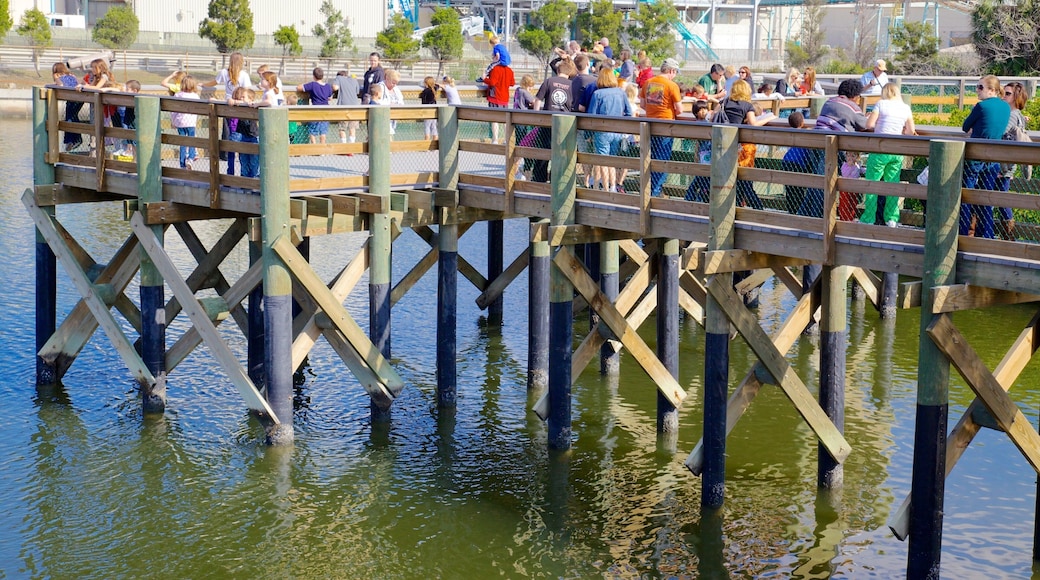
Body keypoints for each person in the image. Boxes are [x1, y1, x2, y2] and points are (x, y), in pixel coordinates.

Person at [959, 75, 1011, 239]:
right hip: (993, 157)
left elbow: (965, 126)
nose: (977, 90)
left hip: (975, 156)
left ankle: (962, 233)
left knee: (966, 196)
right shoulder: (1006, 107)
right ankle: (986, 235)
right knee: (986, 199)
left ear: (992, 90)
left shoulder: (981, 106)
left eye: (981, 87)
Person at [860, 82, 915, 227]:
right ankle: (891, 218)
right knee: (893, 184)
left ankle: (869, 218)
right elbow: (910, 131)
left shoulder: (881, 104)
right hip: (897, 150)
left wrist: (876, 122)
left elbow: (869, 125)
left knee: (872, 183)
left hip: (880, 148)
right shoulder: (905, 108)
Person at [719, 79, 774, 209]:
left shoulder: (724, 102)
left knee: (728, 179)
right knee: (744, 180)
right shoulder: (747, 106)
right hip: (739, 146)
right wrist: (769, 118)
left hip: (722, 143)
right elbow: (753, 123)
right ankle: (758, 208)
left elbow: (712, 117)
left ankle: (735, 206)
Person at [586, 66, 633, 191]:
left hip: (602, 131)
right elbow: (629, 113)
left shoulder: (597, 94)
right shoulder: (621, 93)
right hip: (617, 131)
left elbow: (591, 116)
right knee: (612, 160)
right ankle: (613, 187)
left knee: (603, 161)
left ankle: (606, 188)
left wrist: (588, 135)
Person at [640, 58, 683, 197]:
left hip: (650, 126)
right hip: (666, 126)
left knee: (650, 158)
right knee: (663, 159)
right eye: (675, 72)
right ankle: (655, 191)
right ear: (671, 71)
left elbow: (642, 104)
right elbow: (680, 110)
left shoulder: (648, 82)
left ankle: (648, 190)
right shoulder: (672, 85)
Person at [201, 52, 252, 164]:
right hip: (239, 104)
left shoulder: (224, 72)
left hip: (227, 104)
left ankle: (225, 154)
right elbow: (247, 90)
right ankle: (240, 151)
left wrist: (204, 84)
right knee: (239, 128)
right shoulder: (244, 75)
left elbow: (215, 82)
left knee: (227, 128)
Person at [532, 57, 576, 183]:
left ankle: (539, 178)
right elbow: (573, 105)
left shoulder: (549, 81)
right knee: (561, 152)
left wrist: (536, 116)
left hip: (548, 121)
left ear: (558, 70)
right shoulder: (572, 85)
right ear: (569, 73)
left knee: (544, 149)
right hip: (565, 123)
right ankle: (557, 178)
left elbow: (538, 100)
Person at [997, 82, 1032, 239]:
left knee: (1000, 199)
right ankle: (1007, 234)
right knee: (999, 198)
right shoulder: (1018, 115)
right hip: (1007, 163)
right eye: (1003, 92)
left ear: (1016, 96)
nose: (1004, 96)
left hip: (1002, 163)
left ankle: (1008, 235)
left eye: (1008, 93)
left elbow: (999, 132)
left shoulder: (1011, 115)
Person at [781, 112, 811, 213]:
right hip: (798, 163)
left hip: (787, 160)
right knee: (798, 189)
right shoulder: (805, 134)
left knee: (789, 189)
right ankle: (798, 211)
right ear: (802, 123)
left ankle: (791, 211)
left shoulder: (789, 133)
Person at [228, 87, 260, 178]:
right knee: (244, 160)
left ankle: (254, 180)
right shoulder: (239, 106)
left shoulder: (253, 106)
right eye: (241, 97)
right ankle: (244, 180)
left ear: (250, 99)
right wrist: (233, 101)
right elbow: (229, 100)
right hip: (243, 136)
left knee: (254, 162)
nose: (241, 99)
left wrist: (251, 103)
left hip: (253, 136)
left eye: (243, 97)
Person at [297, 67, 334, 144]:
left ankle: (314, 145)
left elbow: (299, 88)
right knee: (323, 131)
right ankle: (322, 147)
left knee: (312, 130)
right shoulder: (328, 86)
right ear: (322, 76)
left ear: (314, 76)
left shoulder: (313, 85)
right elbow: (330, 97)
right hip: (325, 110)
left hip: (315, 110)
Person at [170, 75, 200, 169]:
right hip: (191, 122)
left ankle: (182, 164)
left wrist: (173, 121)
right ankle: (190, 158)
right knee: (191, 141)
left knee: (182, 143)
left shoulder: (178, 95)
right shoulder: (195, 96)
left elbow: (173, 110)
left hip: (180, 122)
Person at [511, 74, 537, 181]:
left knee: (519, 143)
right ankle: (519, 170)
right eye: (530, 86)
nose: (531, 88)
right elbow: (534, 102)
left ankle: (515, 170)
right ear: (527, 85)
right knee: (524, 144)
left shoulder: (517, 90)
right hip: (523, 120)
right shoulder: (525, 92)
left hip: (517, 119)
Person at [52, 62, 83, 151]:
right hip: (79, 98)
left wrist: (56, 80)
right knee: (71, 117)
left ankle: (74, 140)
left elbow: (61, 85)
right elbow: (76, 84)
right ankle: (72, 140)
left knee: (70, 118)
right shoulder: (72, 75)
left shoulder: (57, 76)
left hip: (71, 98)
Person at [484, 59, 514, 143]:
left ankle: (495, 139)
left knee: (494, 119)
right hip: (505, 98)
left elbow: (492, 82)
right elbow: (512, 83)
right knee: (505, 120)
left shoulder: (495, 69)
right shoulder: (509, 70)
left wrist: (484, 79)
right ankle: (506, 139)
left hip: (495, 97)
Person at [331, 69, 360, 145]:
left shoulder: (339, 78)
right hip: (355, 107)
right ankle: (351, 146)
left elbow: (335, 87)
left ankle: (344, 145)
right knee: (352, 127)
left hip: (343, 107)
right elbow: (357, 92)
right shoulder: (354, 80)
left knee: (342, 128)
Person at [377, 69, 405, 137]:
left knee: (391, 136)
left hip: (393, 117)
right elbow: (377, 101)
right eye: (393, 82)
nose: (394, 85)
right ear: (387, 79)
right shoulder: (380, 87)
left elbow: (401, 101)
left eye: (396, 83)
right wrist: (389, 104)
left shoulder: (396, 89)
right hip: (382, 118)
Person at [419, 76, 439, 140]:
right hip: (434, 110)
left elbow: (422, 97)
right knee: (434, 126)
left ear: (426, 83)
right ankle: (435, 140)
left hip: (427, 110)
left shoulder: (425, 91)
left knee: (427, 126)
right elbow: (437, 86)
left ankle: (426, 140)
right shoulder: (434, 89)